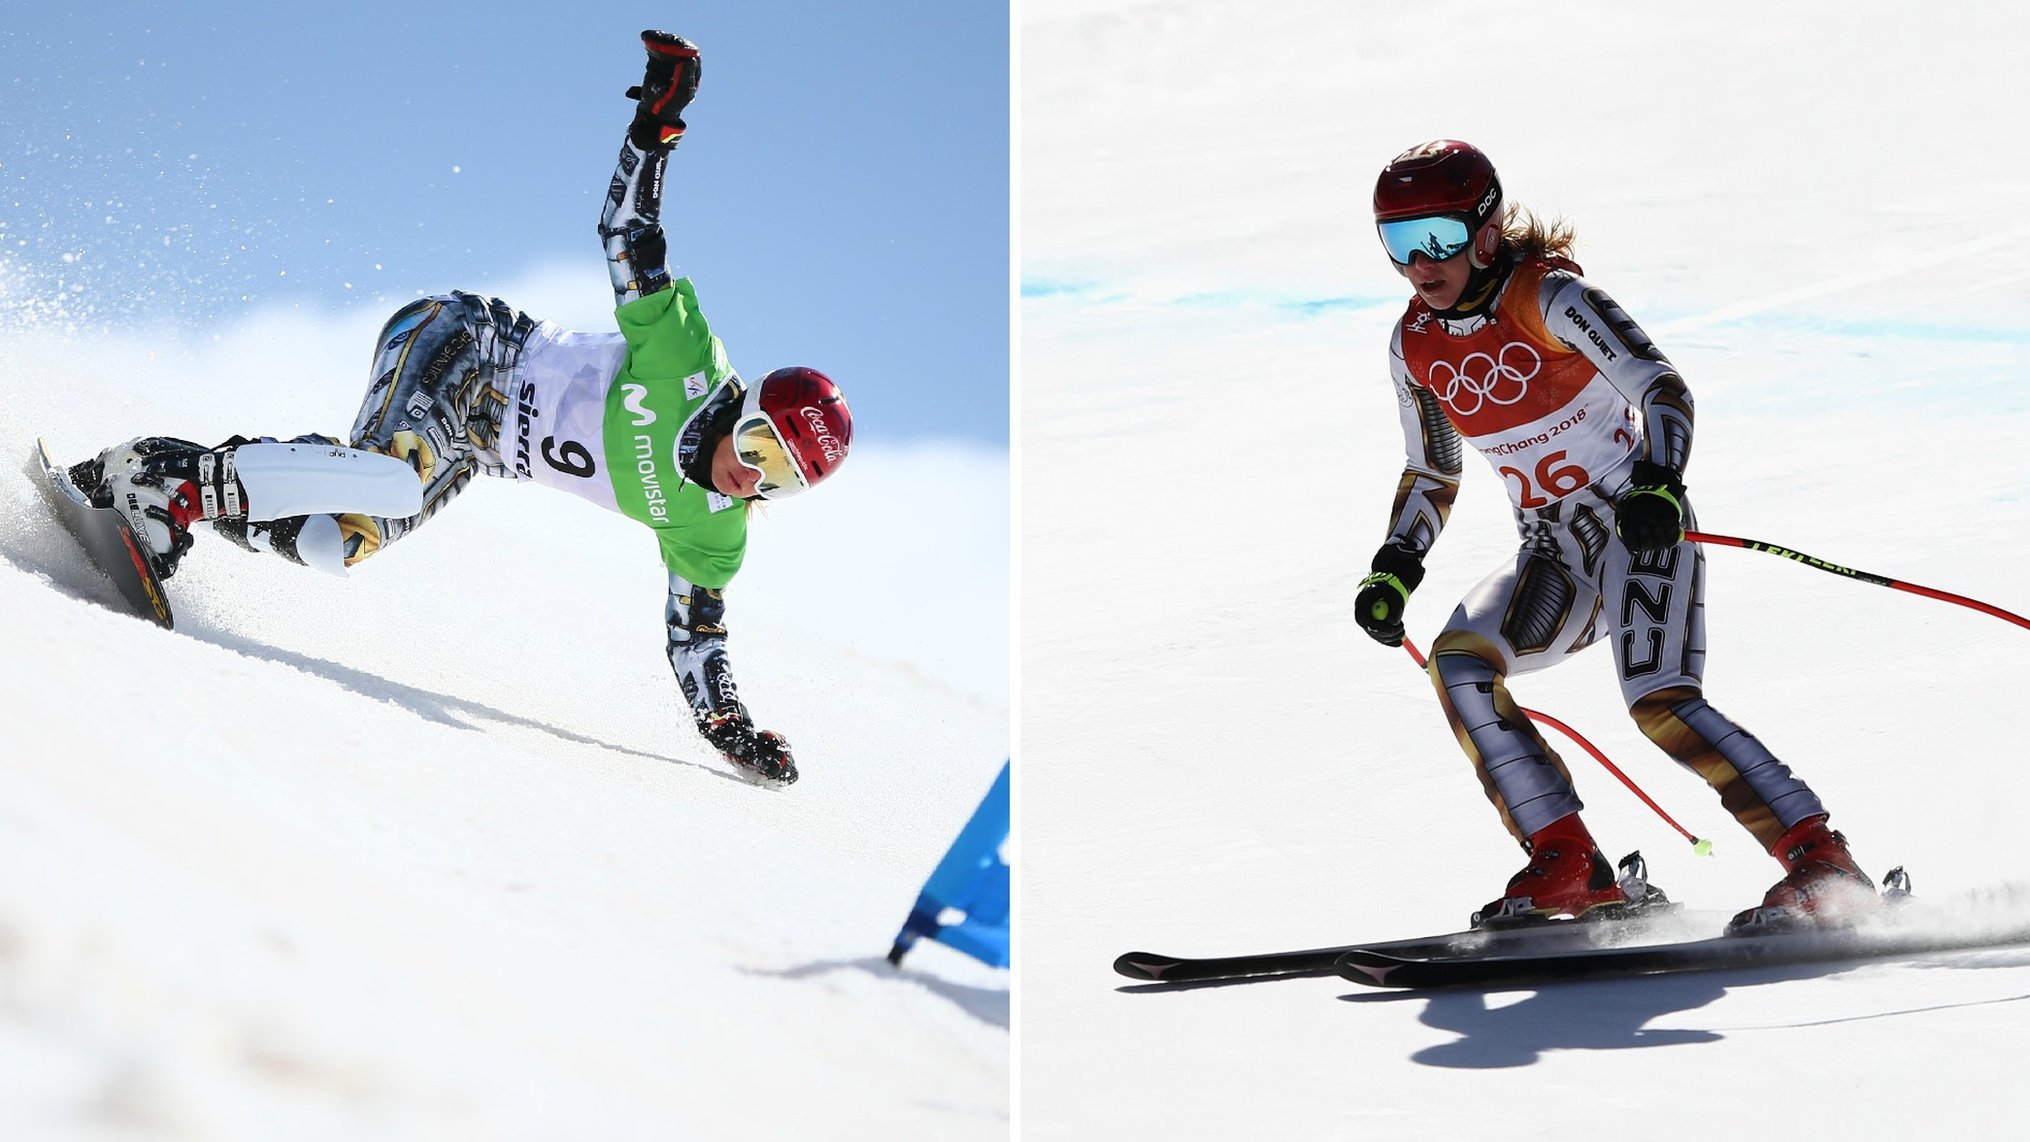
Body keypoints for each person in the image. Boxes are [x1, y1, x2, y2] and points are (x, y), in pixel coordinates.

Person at [70, 31, 852, 785]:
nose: (753, 478)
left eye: (782, 478)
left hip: (475, 449)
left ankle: (155, 472)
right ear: (743, 406)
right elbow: (628, 232)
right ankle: (170, 491)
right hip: (470, 344)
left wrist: (731, 728)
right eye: (761, 445)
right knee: (389, 481)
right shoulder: (686, 356)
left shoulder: (713, 534)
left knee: (333, 543)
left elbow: (696, 635)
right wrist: (656, 124)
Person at [1354, 139, 1872, 931]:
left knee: (1660, 700)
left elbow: (1662, 387)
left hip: (1639, 528)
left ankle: (1820, 860)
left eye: (1441, 238)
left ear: (1486, 232)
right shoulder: (1414, 347)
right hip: (1552, 554)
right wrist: (1396, 564)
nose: (1420, 263)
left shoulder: (1552, 299)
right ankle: (1569, 862)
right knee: (1460, 666)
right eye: (1398, 242)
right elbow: (1433, 471)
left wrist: (1661, 484)